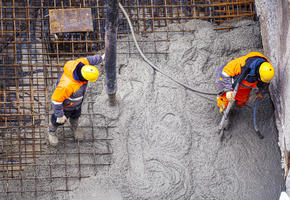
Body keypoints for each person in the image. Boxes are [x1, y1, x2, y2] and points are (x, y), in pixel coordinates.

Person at [47, 54, 105, 146]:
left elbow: (90, 59)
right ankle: (51, 131)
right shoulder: (66, 85)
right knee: (56, 121)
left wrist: (101, 58)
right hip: (65, 106)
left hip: (76, 103)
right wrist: (60, 115)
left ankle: (75, 127)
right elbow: (56, 100)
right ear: (84, 77)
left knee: (76, 116)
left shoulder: (82, 64)